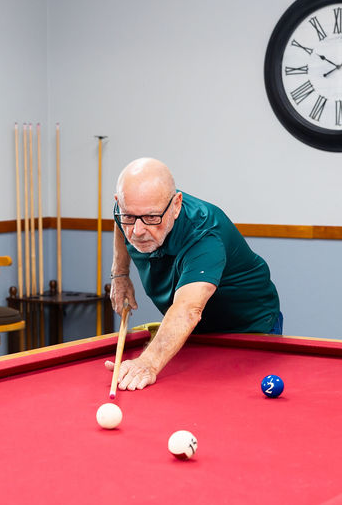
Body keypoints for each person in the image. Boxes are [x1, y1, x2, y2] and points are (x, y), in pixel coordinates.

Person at [106, 157, 281, 391]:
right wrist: (120, 275)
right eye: (129, 216)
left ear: (176, 205)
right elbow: (119, 219)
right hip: (194, 331)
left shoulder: (205, 233)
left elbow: (188, 310)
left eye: (151, 218)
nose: (137, 231)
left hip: (247, 328)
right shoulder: (126, 212)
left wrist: (147, 362)